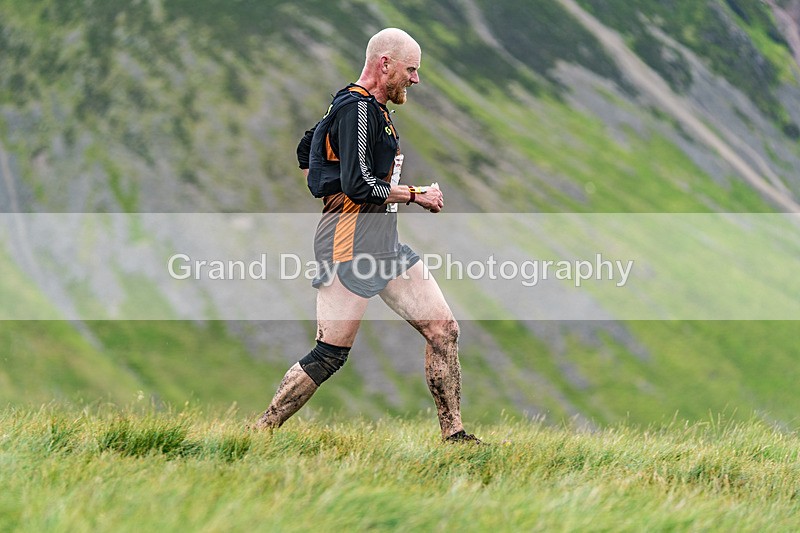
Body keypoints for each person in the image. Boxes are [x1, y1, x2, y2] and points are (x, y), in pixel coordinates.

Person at [254, 28, 479, 443]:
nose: (416, 80)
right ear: (385, 64)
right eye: (411, 70)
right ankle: (259, 432)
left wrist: (330, 183)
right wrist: (416, 195)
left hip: (384, 244)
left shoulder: (370, 109)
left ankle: (455, 437)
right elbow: (358, 186)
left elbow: (308, 149)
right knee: (330, 356)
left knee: (443, 329)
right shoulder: (355, 108)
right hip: (347, 245)